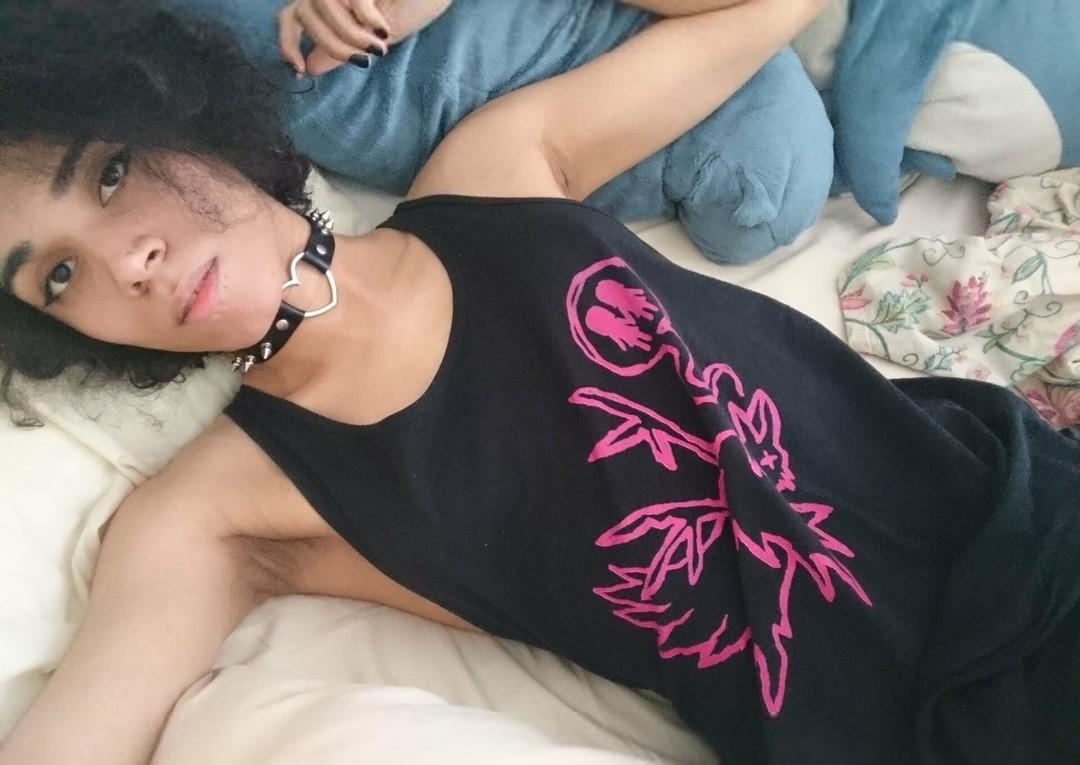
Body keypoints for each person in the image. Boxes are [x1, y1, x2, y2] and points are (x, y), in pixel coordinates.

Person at [0, 1, 1077, 764]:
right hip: (932, 722)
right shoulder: (220, 512)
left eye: (110, 173)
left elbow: (770, 6)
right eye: (55, 276)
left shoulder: (496, 169)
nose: (123, 261)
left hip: (1025, 510)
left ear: (185, 117)